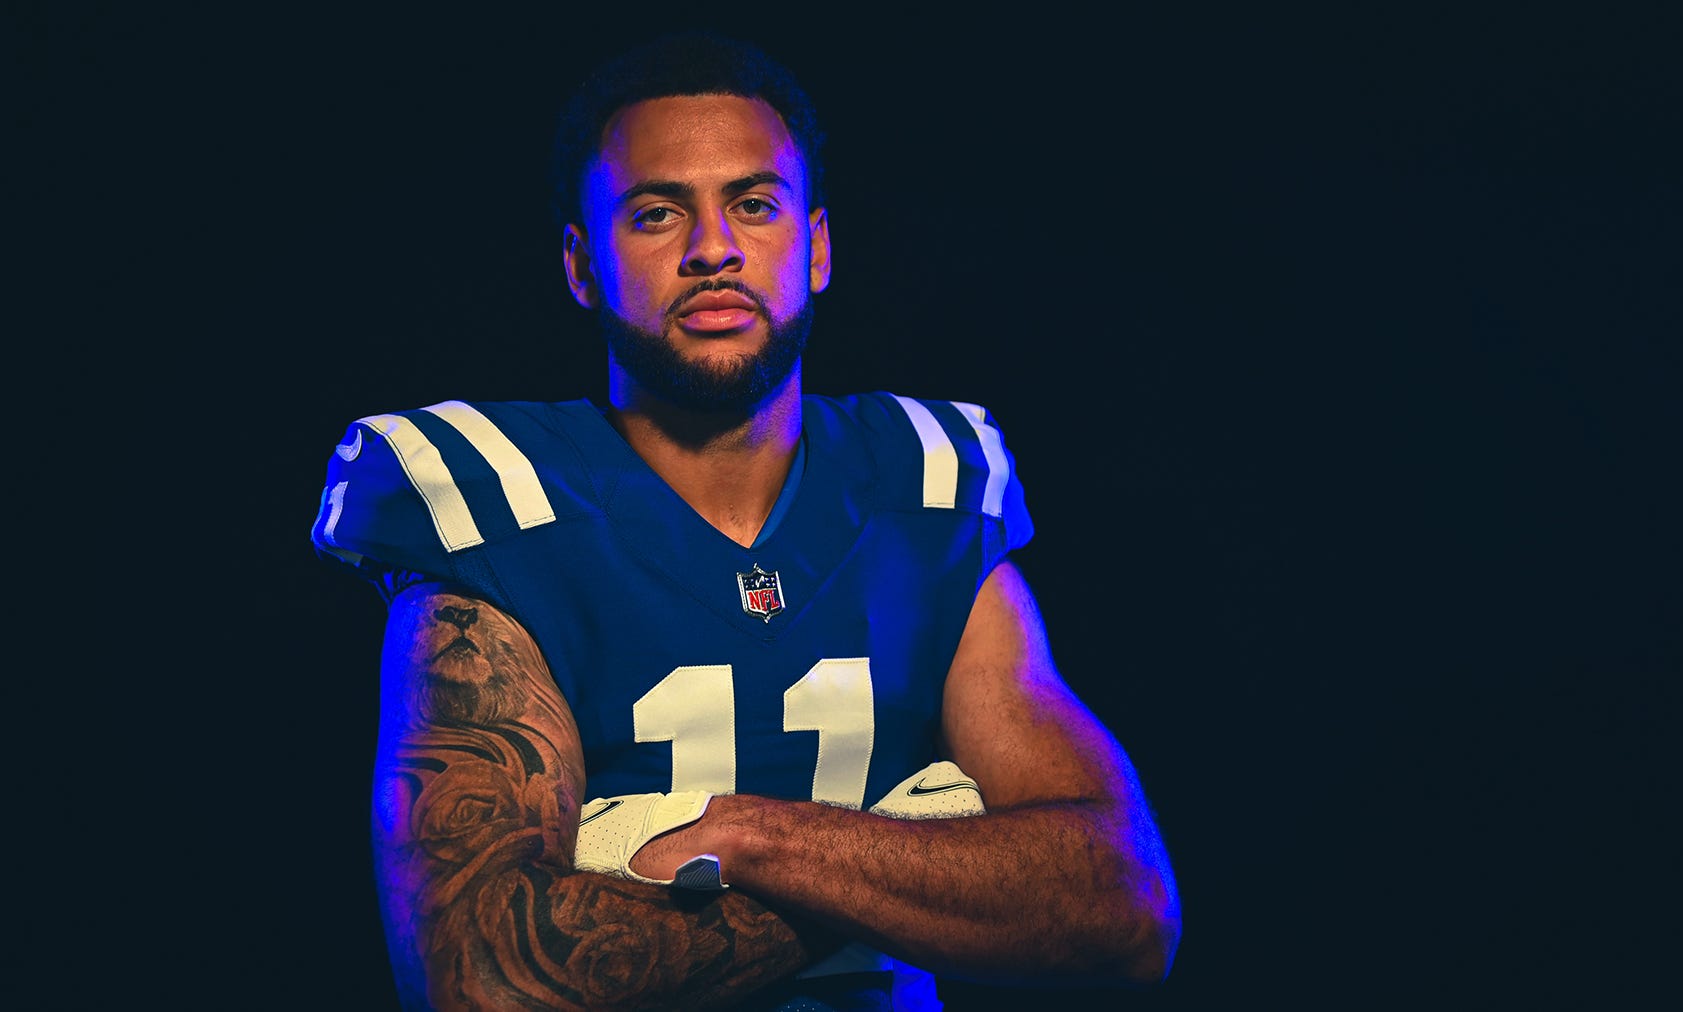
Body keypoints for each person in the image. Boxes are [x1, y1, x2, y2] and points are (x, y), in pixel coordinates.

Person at [311, 31, 1181, 1011]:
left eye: (753, 204)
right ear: (580, 263)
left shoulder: (923, 484)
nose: (712, 249)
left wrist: (753, 838)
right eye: (653, 213)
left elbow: (1124, 901)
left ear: (813, 248)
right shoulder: (492, 502)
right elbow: (486, 980)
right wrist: (919, 863)